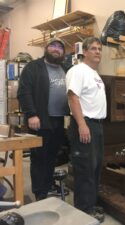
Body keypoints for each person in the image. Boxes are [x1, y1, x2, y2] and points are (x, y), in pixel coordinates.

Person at [17, 37, 70, 200]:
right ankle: (40, 192)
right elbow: (24, 92)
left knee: (52, 156)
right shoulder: (33, 67)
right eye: (53, 46)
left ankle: (47, 185)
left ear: (63, 52)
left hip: (58, 120)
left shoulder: (66, 68)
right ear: (46, 49)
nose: (56, 49)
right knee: (39, 157)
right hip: (40, 120)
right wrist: (31, 114)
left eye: (60, 47)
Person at [66, 37, 106, 223]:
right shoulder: (78, 71)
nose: (98, 51)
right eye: (94, 48)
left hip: (96, 125)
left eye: (99, 49)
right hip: (85, 124)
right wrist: (82, 124)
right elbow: (73, 98)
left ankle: (89, 204)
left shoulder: (94, 73)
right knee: (84, 169)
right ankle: (83, 210)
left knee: (95, 168)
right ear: (85, 52)